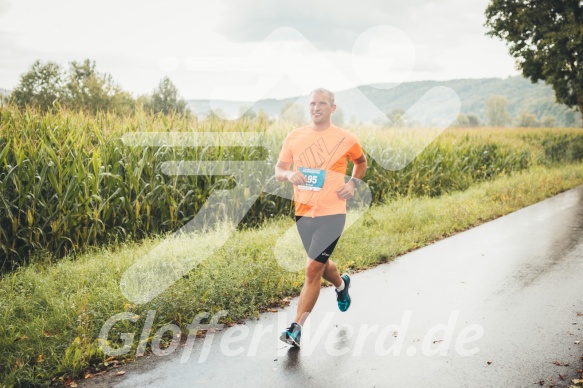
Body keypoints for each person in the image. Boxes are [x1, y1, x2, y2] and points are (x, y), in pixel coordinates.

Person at [275, 88, 367, 348]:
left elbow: (361, 163)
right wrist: (288, 175)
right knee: (323, 265)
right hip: (303, 213)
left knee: (312, 268)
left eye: (323, 103)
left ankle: (296, 329)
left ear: (332, 108)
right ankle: (341, 284)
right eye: (313, 103)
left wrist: (352, 184)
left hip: (332, 213)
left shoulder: (346, 138)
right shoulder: (295, 136)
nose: (316, 107)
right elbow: (279, 169)